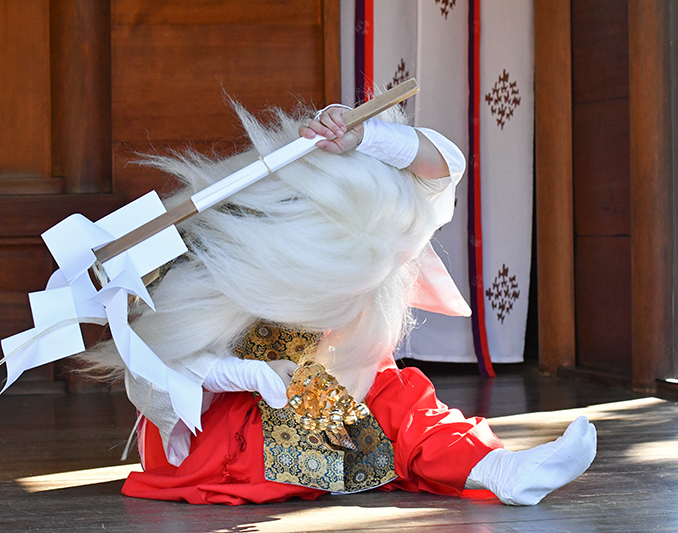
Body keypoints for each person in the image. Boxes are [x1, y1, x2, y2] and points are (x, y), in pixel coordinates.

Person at [83, 102, 596, 506]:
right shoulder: (219, 264)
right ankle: (477, 468)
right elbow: (159, 367)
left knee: (390, 389)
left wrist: (365, 137)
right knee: (375, 402)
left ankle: (497, 470)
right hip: (219, 443)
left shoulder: (352, 247)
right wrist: (252, 375)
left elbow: (444, 169)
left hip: (309, 410)